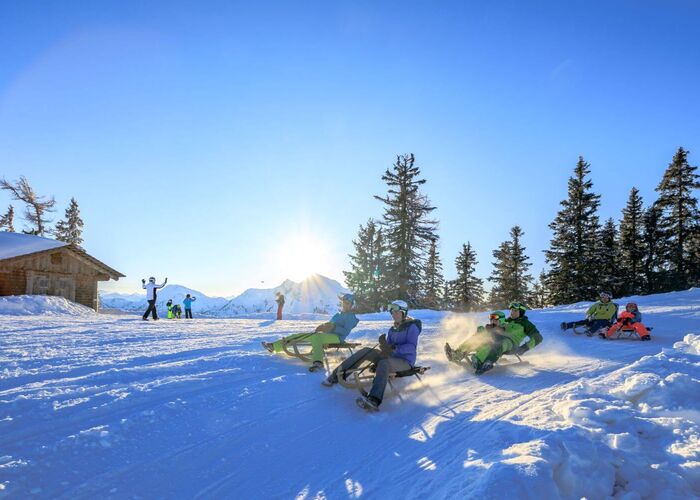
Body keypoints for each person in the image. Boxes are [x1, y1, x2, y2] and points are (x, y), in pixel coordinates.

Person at [322, 299, 421, 412]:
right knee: (366, 351)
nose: (394, 314)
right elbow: (387, 349)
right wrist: (384, 345)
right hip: (391, 358)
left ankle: (374, 399)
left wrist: (394, 348)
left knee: (384, 363)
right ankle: (337, 375)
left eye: (396, 312)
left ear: (404, 312)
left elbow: (411, 348)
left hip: (405, 362)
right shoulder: (392, 329)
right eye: (392, 312)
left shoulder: (412, 327)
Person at [262, 293, 360, 371]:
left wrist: (334, 327)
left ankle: (318, 362)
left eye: (348, 303)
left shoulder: (351, 316)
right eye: (344, 302)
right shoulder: (338, 314)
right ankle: (274, 346)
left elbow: (346, 331)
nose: (345, 304)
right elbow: (329, 325)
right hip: (327, 335)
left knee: (316, 337)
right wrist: (323, 326)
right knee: (302, 335)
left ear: (351, 305)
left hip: (338, 338)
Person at [452, 303, 542, 374]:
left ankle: (484, 361)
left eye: (515, 311)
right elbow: (499, 327)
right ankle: (458, 353)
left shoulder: (526, 324)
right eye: (511, 310)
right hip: (498, 339)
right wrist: (490, 328)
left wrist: (524, 348)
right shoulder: (507, 320)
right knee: (481, 333)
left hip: (511, 344)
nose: (512, 312)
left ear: (521, 312)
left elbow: (538, 337)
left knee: (502, 342)